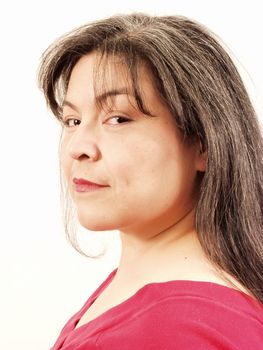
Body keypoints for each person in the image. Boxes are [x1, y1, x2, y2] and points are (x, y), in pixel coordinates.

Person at [38, 13, 263, 349]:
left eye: (118, 118)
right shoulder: (159, 297)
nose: (78, 148)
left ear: (203, 143)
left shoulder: (170, 330)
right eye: (73, 120)